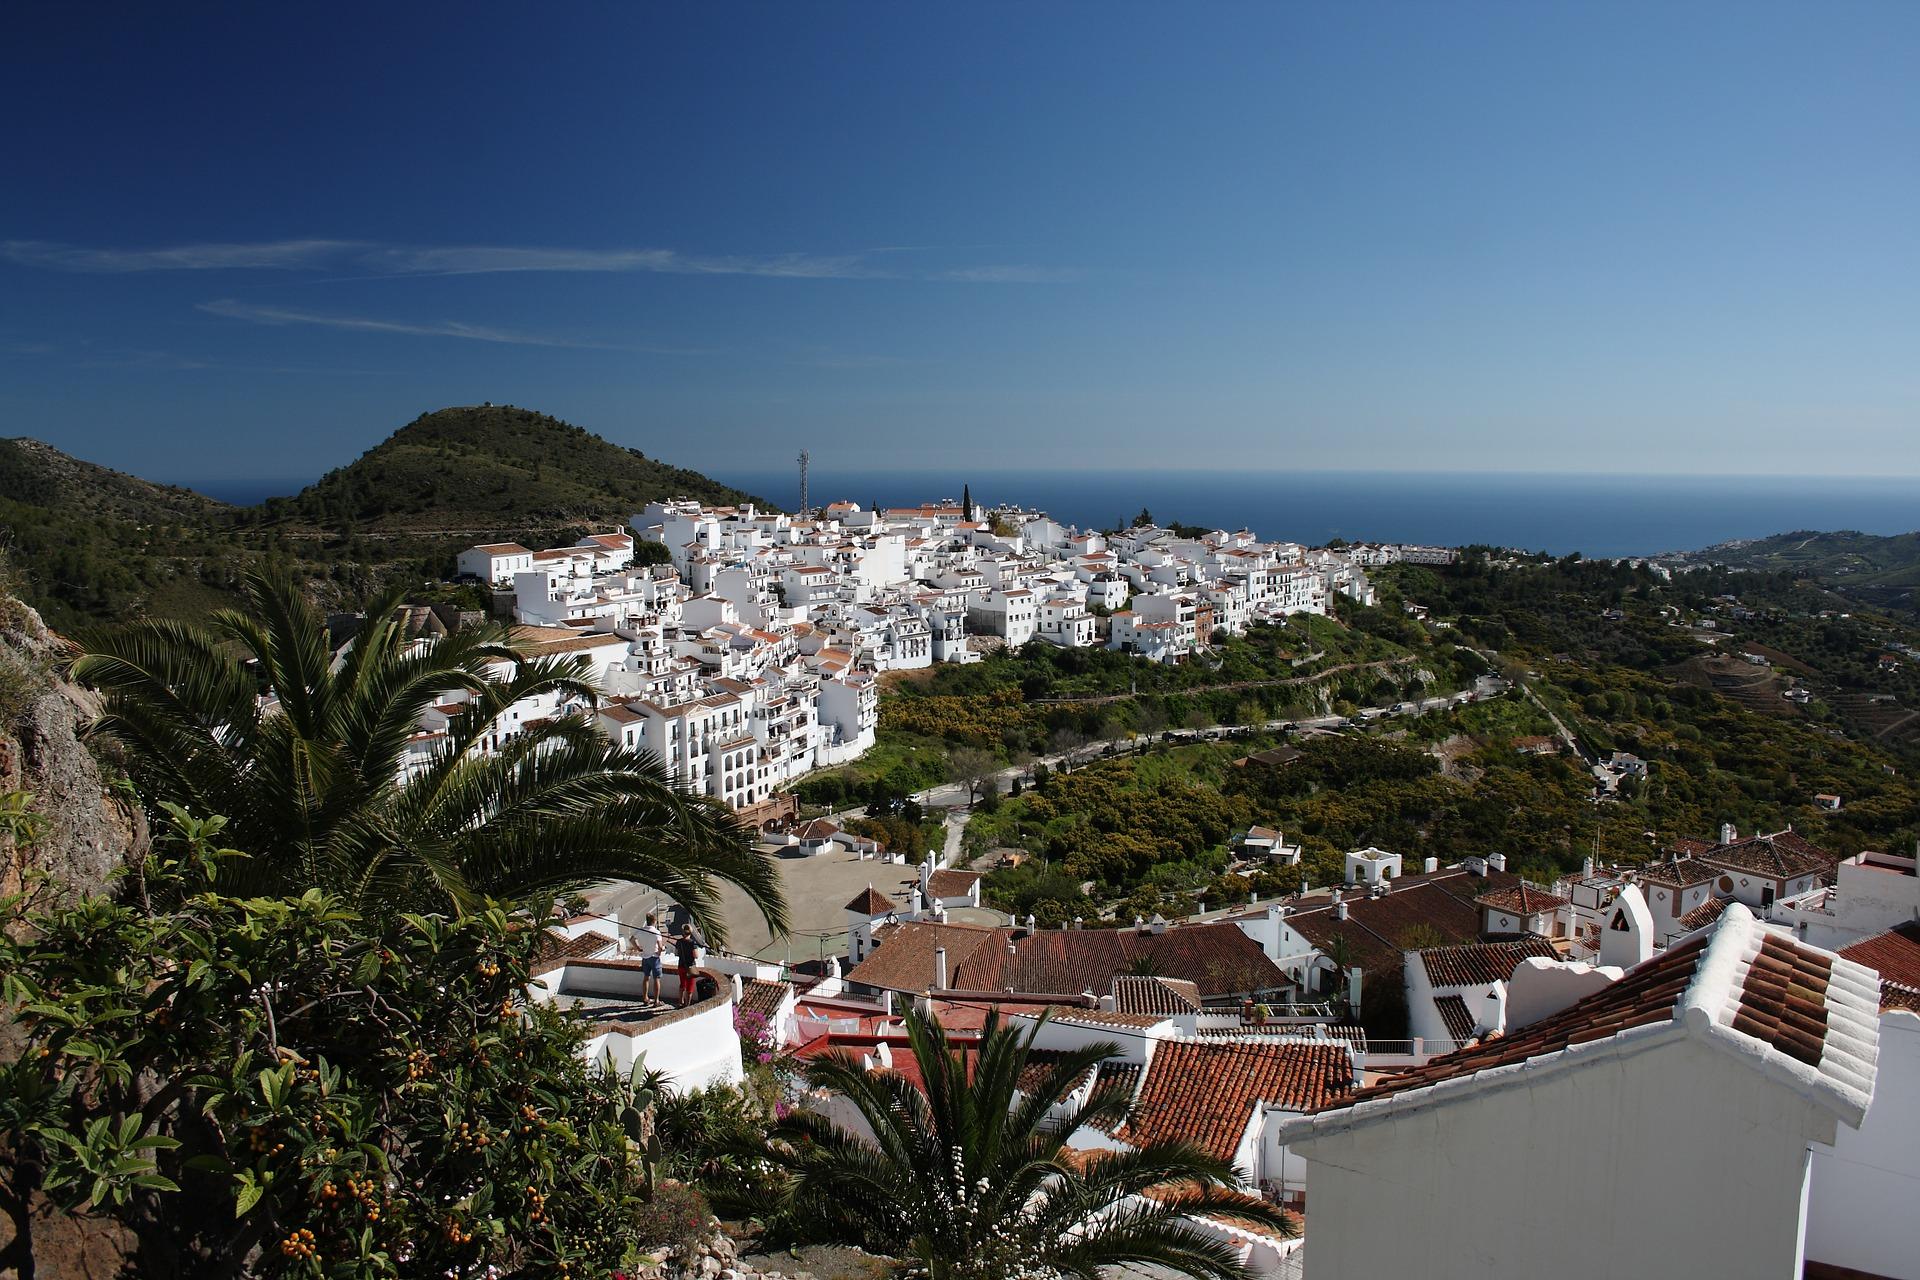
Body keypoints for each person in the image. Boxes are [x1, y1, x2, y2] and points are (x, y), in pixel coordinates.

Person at [633, 911, 664, 1006]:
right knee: (656, 979)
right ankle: (656, 1001)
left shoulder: (641, 930)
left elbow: (631, 939)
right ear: (654, 921)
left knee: (646, 978)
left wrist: (638, 948)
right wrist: (659, 952)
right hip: (654, 957)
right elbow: (660, 946)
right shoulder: (656, 932)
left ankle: (645, 998)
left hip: (645, 957)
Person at [674, 920, 701, 1007]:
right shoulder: (692, 943)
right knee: (689, 987)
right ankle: (687, 1004)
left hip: (681, 966)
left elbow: (676, 953)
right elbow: (696, 956)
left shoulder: (679, 942)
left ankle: (680, 1002)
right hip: (690, 967)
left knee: (682, 984)